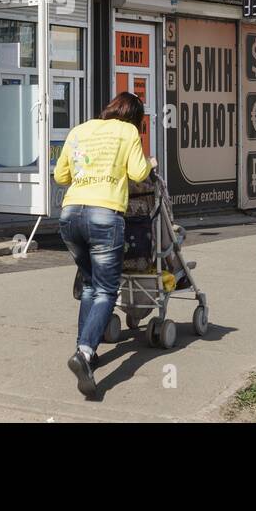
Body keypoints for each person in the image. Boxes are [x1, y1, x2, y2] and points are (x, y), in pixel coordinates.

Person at [54, 91, 152, 398]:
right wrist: (149, 162)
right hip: (105, 216)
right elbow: (138, 173)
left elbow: (60, 176)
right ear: (135, 117)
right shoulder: (128, 132)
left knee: (89, 285)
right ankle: (84, 354)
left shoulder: (80, 130)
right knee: (107, 289)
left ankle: (85, 349)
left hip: (71, 216)